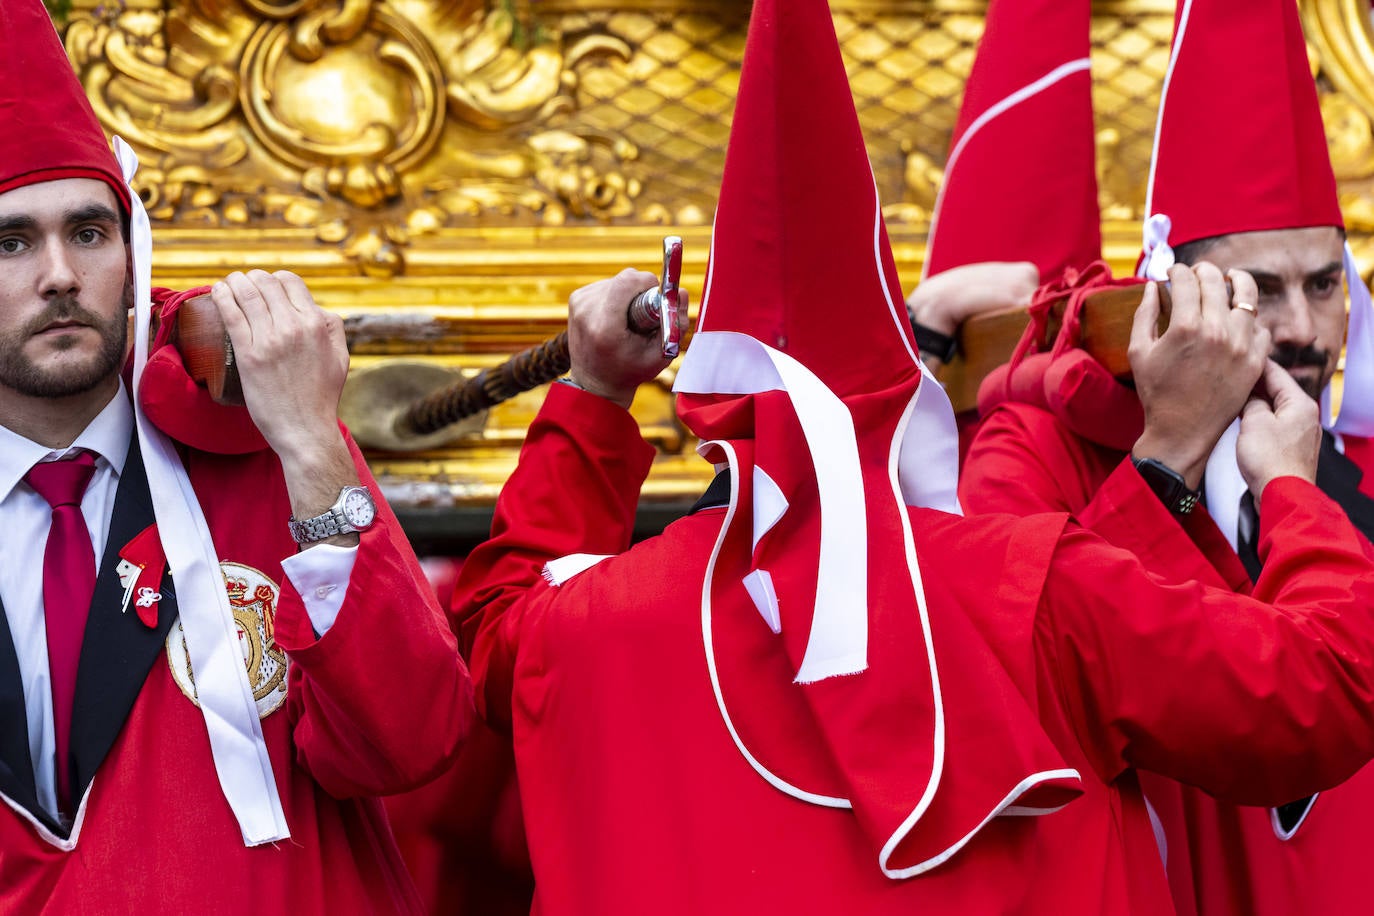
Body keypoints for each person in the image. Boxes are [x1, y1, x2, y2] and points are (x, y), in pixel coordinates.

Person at [452, 1, 1374, 912]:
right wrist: (1291, 486)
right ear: (907, 387)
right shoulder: (1028, 590)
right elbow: (1319, 693)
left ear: (711, 405)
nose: (1294, 326)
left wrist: (594, 397)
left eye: (1323, 284)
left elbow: (488, 627)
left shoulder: (578, 627)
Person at [0, 2, 471, 911]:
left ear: (133, 253)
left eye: (88, 232)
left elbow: (412, 741)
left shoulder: (261, 448)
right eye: (10, 241)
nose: (59, 273)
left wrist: (310, 445)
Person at [959, 0, 1374, 913]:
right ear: (1173, 298)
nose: (1302, 329)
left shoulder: (1369, 477)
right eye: (1260, 288)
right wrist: (1171, 456)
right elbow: (1026, 668)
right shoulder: (1037, 449)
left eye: (1324, 284)